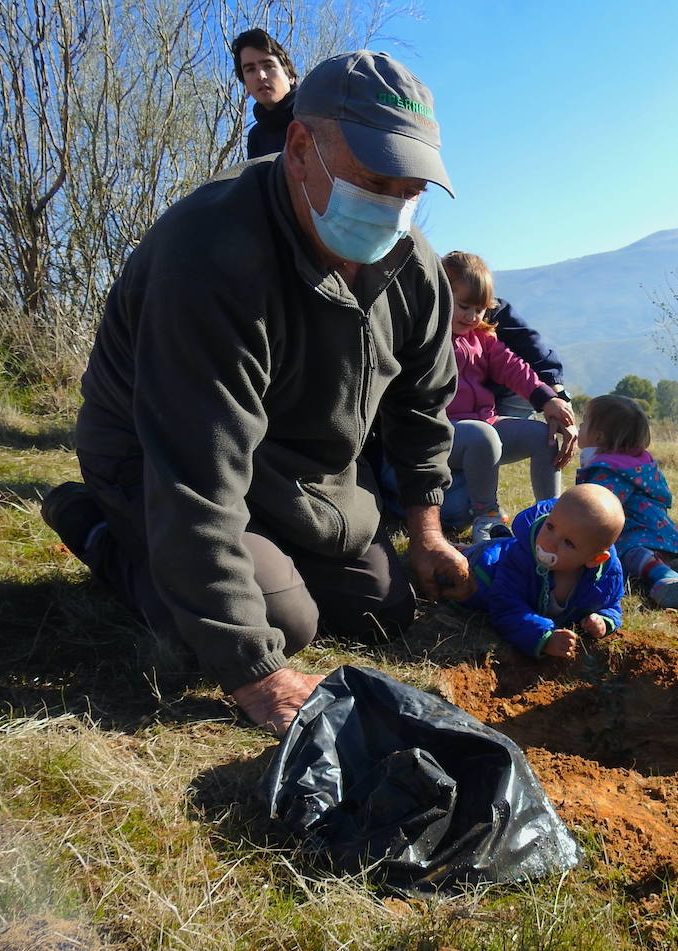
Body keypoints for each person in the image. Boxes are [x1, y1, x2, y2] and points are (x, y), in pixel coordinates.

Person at [40, 51, 470, 736]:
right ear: (299, 148)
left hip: (287, 466)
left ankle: (260, 558)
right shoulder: (208, 254)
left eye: (410, 189)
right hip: (156, 452)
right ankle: (94, 524)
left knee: (380, 610)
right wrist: (256, 674)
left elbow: (423, 401)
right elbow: (195, 473)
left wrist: (427, 533)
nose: (391, 208)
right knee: (276, 624)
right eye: (372, 180)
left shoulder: (410, 263)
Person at [442, 251, 577, 542]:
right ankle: (487, 516)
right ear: (440, 294)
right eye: (464, 306)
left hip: (483, 423)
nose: (472, 317)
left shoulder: (481, 338)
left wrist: (548, 400)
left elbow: (513, 367)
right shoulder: (429, 337)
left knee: (543, 436)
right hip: (442, 431)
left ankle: (549, 518)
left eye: (480, 309)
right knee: (483, 436)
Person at [457, 484, 625, 659]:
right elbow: (505, 605)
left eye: (568, 543)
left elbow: (611, 604)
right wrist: (543, 636)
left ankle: (502, 536)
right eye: (550, 526)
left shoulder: (605, 578)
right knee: (463, 566)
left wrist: (603, 620)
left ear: (594, 559)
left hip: (509, 552)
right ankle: (475, 545)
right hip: (487, 565)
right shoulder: (519, 559)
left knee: (505, 544)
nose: (549, 543)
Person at [575, 394, 678, 608]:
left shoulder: (609, 470)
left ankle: (666, 578)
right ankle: (656, 568)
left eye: (585, 420)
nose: (580, 425)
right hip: (654, 533)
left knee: (629, 554)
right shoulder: (631, 463)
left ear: (599, 437)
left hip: (637, 535)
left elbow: (596, 509)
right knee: (631, 559)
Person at [232, 28, 298, 160]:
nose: (261, 76)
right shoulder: (256, 137)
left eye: (268, 66)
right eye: (250, 69)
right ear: (245, 84)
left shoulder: (317, 115)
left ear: (290, 76)